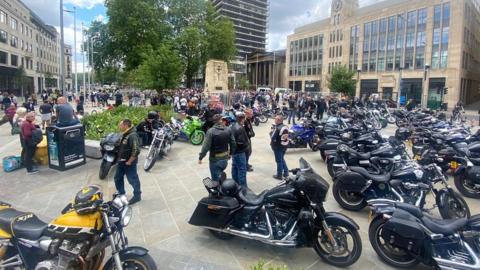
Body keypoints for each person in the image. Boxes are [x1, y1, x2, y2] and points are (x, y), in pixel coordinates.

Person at [198, 114, 236, 182]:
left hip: (215, 160)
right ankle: (222, 186)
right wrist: (230, 154)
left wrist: (201, 157)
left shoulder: (211, 131)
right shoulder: (228, 129)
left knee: (215, 181)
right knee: (220, 176)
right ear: (221, 120)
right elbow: (233, 143)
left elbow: (205, 147)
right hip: (225, 160)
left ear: (214, 122)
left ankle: (219, 191)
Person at [115, 119, 142, 205]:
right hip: (121, 162)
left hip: (128, 163)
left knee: (132, 179)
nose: (119, 126)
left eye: (121, 125)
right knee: (117, 178)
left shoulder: (132, 135)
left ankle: (137, 195)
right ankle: (121, 193)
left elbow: (136, 150)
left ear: (126, 125)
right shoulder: (125, 134)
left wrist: (129, 162)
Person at [231, 112, 249, 187]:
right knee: (242, 170)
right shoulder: (240, 128)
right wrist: (246, 144)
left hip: (235, 152)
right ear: (242, 119)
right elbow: (241, 142)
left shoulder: (233, 125)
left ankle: (235, 184)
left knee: (235, 167)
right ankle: (243, 188)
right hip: (240, 152)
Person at [270, 115, 289, 180]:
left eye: (275, 119)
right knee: (281, 159)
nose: (274, 120)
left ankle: (279, 175)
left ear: (279, 120)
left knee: (279, 161)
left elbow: (272, 137)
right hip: (285, 145)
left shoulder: (277, 128)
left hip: (278, 146)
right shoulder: (286, 126)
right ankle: (286, 173)